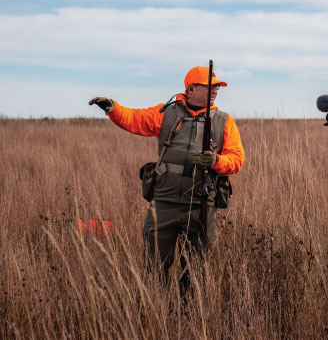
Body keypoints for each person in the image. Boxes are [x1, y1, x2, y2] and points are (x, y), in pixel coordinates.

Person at [89, 66, 244, 296]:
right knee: (154, 267)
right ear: (191, 89)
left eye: (217, 88)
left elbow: (237, 160)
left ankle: (189, 311)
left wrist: (216, 161)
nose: (215, 91)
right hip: (164, 202)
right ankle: (153, 310)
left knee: (195, 271)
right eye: (210, 87)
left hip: (200, 204)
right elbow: (135, 119)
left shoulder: (223, 121)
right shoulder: (167, 113)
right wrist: (113, 108)